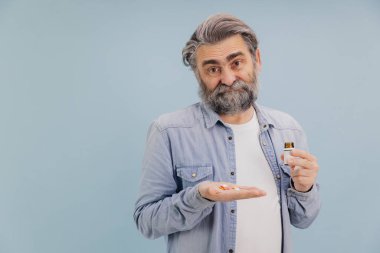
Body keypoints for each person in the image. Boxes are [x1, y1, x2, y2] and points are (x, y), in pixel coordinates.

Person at [134, 13, 320, 253]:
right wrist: (199, 197)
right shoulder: (168, 131)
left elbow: (303, 219)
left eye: (236, 63)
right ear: (198, 75)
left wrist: (304, 189)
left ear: (257, 59)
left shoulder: (287, 130)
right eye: (213, 69)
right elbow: (146, 221)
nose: (228, 78)